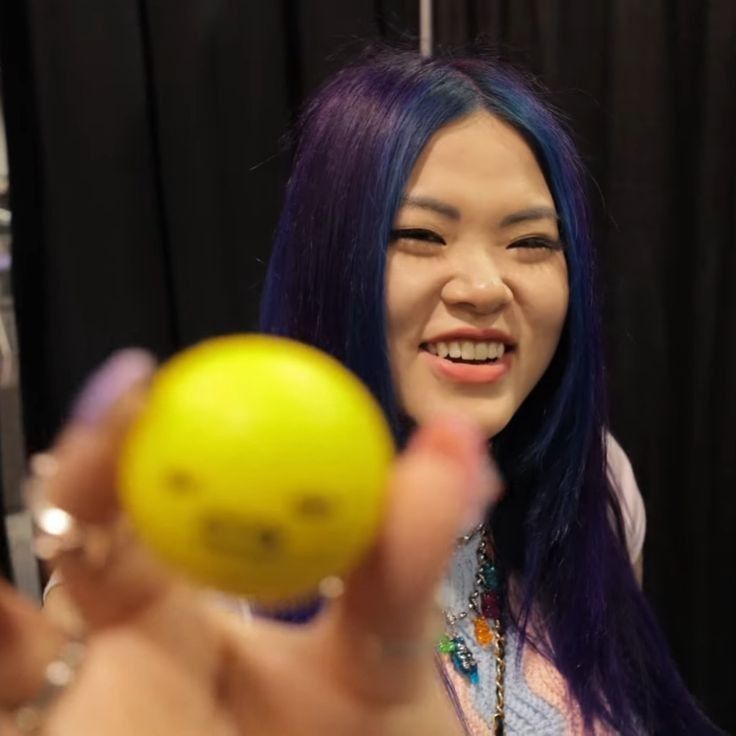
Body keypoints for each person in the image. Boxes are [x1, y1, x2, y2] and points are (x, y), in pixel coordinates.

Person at [0, 48, 721, 735]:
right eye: (421, 235)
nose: (483, 286)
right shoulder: (195, 555)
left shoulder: (597, 484)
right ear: (330, 263)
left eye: (530, 242)